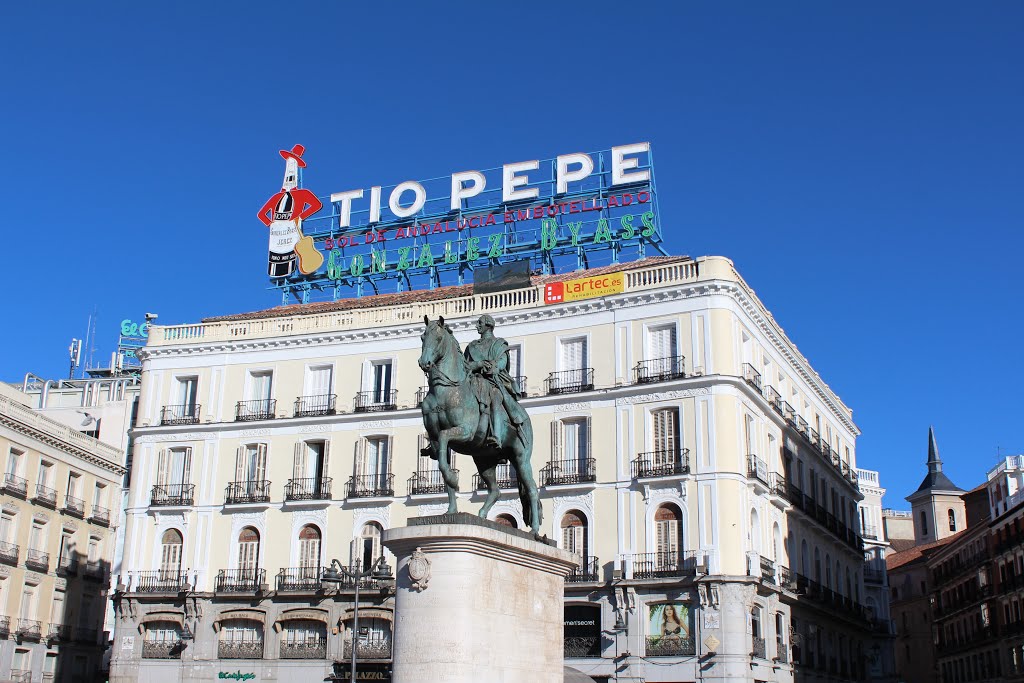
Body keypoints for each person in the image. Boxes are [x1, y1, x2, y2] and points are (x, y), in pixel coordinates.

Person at [465, 315, 527, 448]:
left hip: (493, 381)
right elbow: (465, 366)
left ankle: (497, 437)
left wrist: (489, 367)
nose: (477, 326)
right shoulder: (472, 346)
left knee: (495, 397)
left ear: (488, 325)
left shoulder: (499, 344)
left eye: (480, 323)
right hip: (474, 381)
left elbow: (501, 363)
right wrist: (477, 365)